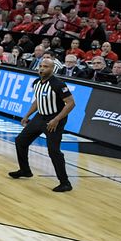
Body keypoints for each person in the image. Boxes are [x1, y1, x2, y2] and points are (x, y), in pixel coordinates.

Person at [8, 57, 75, 192]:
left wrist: (56, 119)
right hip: (40, 117)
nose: (42, 69)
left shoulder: (58, 84)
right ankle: (25, 170)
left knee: (54, 151)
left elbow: (71, 103)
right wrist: (27, 115)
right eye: (41, 66)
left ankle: (65, 182)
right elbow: (38, 101)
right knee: (21, 141)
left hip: (54, 120)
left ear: (52, 69)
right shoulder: (36, 83)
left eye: (46, 67)